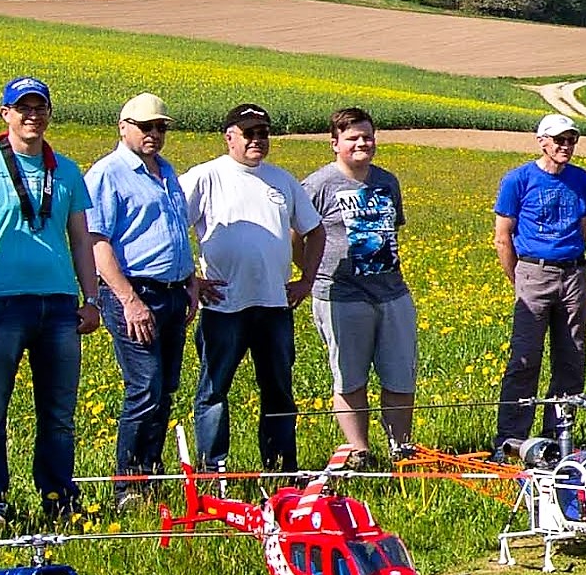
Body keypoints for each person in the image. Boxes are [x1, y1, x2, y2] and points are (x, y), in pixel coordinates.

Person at [0, 78, 123, 531]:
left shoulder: (64, 169)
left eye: (39, 107)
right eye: (21, 108)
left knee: (59, 415)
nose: (32, 116)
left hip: (60, 305)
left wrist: (91, 299)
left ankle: (58, 496)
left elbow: (81, 238)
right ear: (4, 114)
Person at [179, 105, 319, 471]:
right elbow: (172, 227)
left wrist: (306, 280)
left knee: (278, 391)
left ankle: (281, 468)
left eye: (263, 133)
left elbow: (313, 230)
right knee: (213, 392)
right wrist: (190, 280)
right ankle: (214, 470)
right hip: (224, 308)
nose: (257, 140)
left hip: (274, 306)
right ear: (229, 137)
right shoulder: (205, 177)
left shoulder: (282, 181)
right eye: (249, 133)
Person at [85, 93, 201, 481]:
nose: (154, 133)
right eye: (145, 126)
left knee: (165, 388)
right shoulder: (108, 173)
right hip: (134, 293)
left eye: (160, 127)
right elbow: (97, 242)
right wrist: (128, 300)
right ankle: (129, 481)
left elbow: (175, 234)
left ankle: (151, 472)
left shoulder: (166, 171)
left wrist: (190, 281)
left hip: (171, 292)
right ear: (123, 127)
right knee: (145, 387)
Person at [298, 108, 418, 466]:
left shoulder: (386, 182)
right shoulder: (318, 185)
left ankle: (401, 449)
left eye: (367, 136)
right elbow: (297, 234)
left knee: (399, 377)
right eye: (352, 138)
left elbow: (392, 229)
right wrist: (308, 271)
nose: (362, 143)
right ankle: (359, 450)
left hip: (391, 291)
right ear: (335, 144)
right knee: (350, 377)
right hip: (341, 295)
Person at [495, 112, 586, 438]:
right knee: (525, 359)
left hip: (573, 273)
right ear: (542, 142)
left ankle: (558, 438)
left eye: (571, 140)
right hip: (533, 271)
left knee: (572, 357)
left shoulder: (581, 179)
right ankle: (512, 439)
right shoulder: (518, 180)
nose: (566, 146)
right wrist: (519, 277)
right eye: (559, 140)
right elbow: (503, 236)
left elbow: (583, 227)